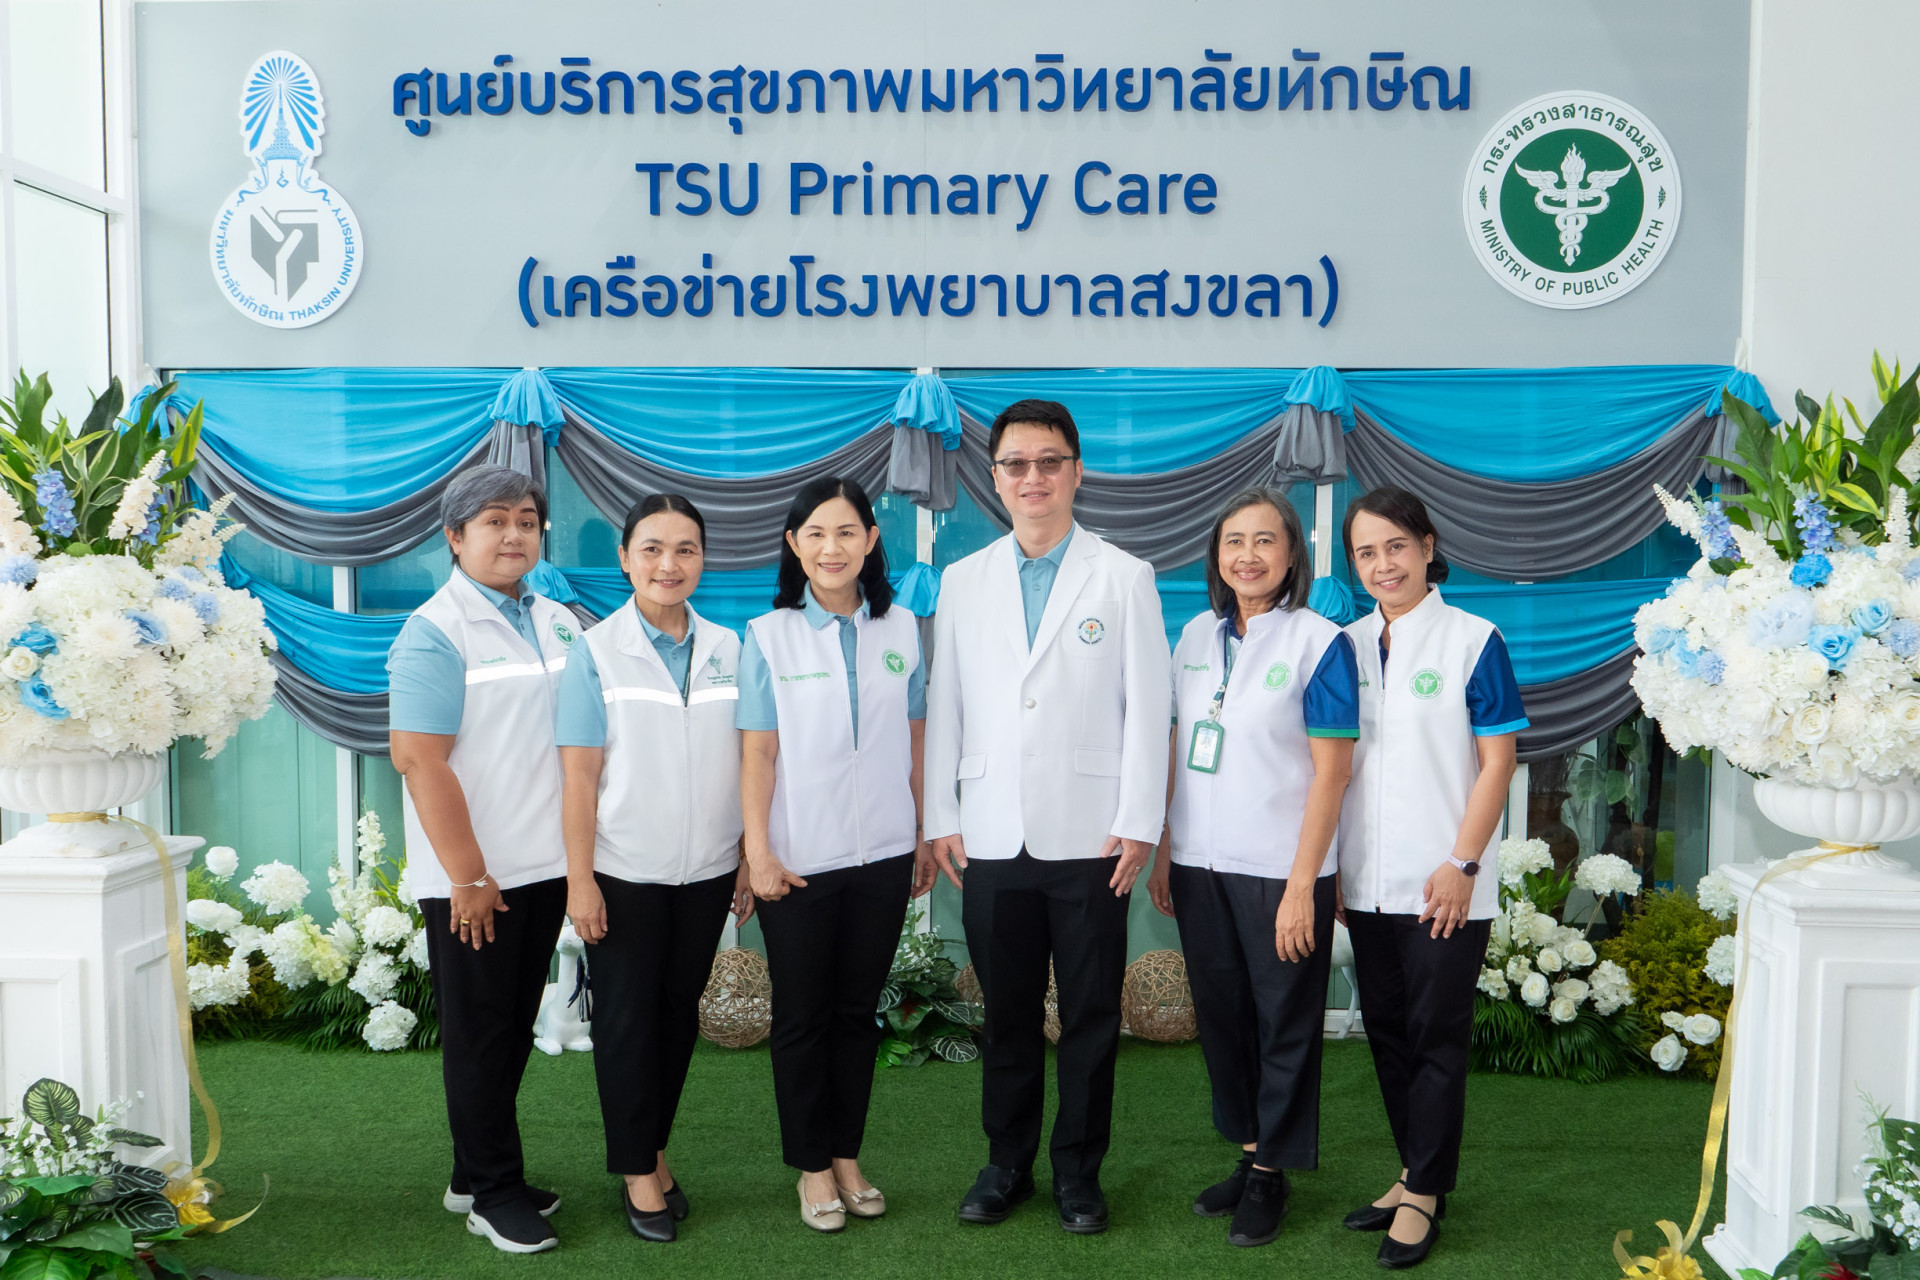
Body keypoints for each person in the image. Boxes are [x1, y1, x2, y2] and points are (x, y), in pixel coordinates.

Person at [924, 398, 1171, 1236]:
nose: (1033, 477)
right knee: (1006, 1015)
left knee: (1093, 1016)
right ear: (995, 477)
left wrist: (1140, 821)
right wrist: (941, 812)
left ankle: (1078, 1175)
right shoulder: (963, 580)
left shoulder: (1124, 576)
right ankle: (1006, 1165)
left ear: (1076, 470)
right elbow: (947, 702)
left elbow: (1150, 707)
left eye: (1049, 462)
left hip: (1094, 835)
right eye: (1016, 464)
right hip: (991, 833)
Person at [1145, 487, 1358, 1249]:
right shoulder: (1194, 637)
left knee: (1284, 1023)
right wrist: (1166, 845)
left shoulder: (1320, 642)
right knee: (1225, 1020)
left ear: (1293, 554)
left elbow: (1333, 773)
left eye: (1266, 541)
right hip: (1199, 864)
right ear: (1216, 555)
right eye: (1234, 541)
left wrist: (1304, 885)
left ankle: (1271, 1174)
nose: (1248, 556)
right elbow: (1180, 740)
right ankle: (1248, 1151)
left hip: (1280, 870)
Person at [737, 476, 936, 1233]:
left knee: (857, 1015)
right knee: (802, 1016)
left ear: (871, 541)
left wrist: (921, 833)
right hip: (798, 859)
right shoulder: (769, 635)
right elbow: (758, 754)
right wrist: (758, 851)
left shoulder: (902, 629)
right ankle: (811, 1167)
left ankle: (847, 1155)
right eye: (816, 533)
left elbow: (915, 740)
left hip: (882, 853)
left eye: (848, 531)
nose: (832, 547)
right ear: (794, 544)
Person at [555, 494, 754, 1244]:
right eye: (652, 549)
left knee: (675, 1018)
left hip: (708, 871)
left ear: (703, 558)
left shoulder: (732, 649)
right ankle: (637, 1171)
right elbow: (578, 778)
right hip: (624, 872)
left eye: (685, 549)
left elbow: (752, 761)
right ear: (625, 558)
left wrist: (746, 854)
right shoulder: (595, 652)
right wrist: (581, 881)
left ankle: (655, 1151)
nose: (669, 565)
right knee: (628, 1024)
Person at [387, 465, 575, 1255]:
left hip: (544, 865)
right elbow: (419, 760)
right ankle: (494, 1195)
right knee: (481, 1036)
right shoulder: (435, 630)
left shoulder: (557, 620)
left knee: (508, 1030)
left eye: (526, 520)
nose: (513, 534)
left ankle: (474, 1174)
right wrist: (467, 875)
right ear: (455, 537)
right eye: (494, 521)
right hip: (475, 878)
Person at [1337, 486, 1527, 1270]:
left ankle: (1424, 1195)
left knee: (1435, 1037)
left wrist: (1462, 864)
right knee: (1386, 1033)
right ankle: (1414, 1173)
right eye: (1366, 552)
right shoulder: (1345, 645)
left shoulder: (1474, 640)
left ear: (1426, 547)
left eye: (1395, 547)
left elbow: (1498, 762)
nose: (1383, 565)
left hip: (1445, 882)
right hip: (1365, 882)